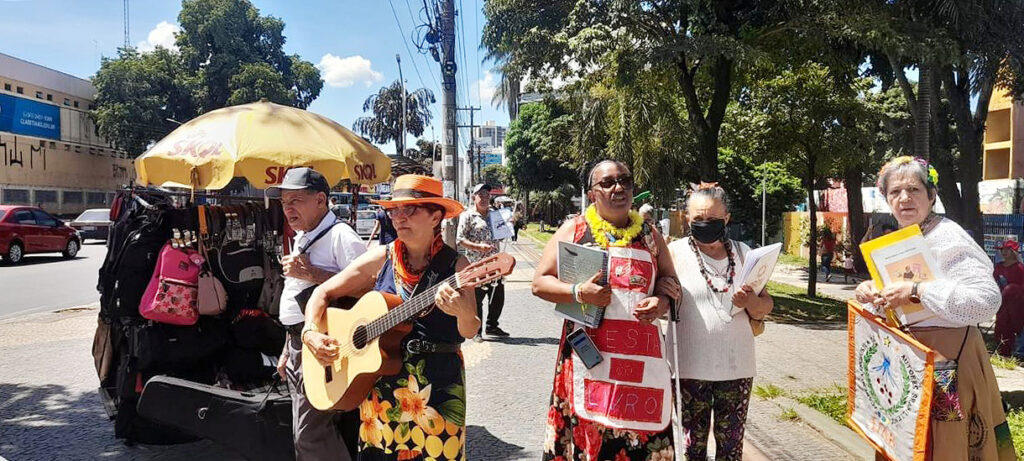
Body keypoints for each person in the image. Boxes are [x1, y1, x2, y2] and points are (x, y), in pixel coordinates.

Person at [302, 174, 478, 461]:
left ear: (436, 217)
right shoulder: (382, 257)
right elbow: (322, 293)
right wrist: (310, 332)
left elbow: (470, 329)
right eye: (394, 211)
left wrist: (463, 312)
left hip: (437, 387)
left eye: (411, 209)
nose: (399, 218)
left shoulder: (458, 266)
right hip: (381, 385)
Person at [854, 156, 1016, 460]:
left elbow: (986, 301)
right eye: (895, 192)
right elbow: (896, 301)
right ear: (887, 199)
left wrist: (918, 291)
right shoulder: (897, 241)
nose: (904, 198)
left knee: (946, 444)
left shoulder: (949, 238)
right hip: (908, 363)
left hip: (949, 362)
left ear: (931, 196)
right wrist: (871, 292)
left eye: (914, 189)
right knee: (909, 444)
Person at [532, 159, 677, 461]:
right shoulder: (574, 230)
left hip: (640, 363)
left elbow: (670, 282)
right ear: (591, 193)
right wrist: (578, 292)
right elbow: (540, 282)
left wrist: (661, 302)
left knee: (640, 434)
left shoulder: (650, 236)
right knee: (590, 435)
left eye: (625, 181)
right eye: (608, 183)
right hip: (589, 358)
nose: (618, 188)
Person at [664, 183, 774, 461]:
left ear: (726, 218)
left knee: (731, 449)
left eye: (712, 219)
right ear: (687, 218)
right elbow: (659, 298)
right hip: (688, 369)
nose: (705, 224)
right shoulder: (673, 253)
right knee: (692, 448)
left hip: (736, 368)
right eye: (698, 218)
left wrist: (750, 301)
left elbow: (765, 307)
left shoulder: (744, 253)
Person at [269, 167, 367, 461]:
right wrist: (288, 347)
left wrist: (311, 273)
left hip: (323, 348)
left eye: (295, 201)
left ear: (321, 200)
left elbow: (367, 290)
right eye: (284, 202)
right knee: (307, 431)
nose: (288, 209)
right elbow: (297, 298)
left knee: (310, 434)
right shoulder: (303, 235)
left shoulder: (341, 236)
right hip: (299, 343)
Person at [458, 183, 508, 340]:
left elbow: (502, 235)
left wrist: (508, 227)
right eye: (481, 195)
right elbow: (460, 239)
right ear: (474, 197)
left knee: (497, 296)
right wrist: (478, 247)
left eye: (487, 195)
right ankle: (477, 331)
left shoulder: (495, 215)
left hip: (495, 264)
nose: (485, 198)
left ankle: (492, 325)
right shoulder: (467, 215)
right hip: (476, 265)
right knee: (477, 299)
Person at [993, 240, 1024, 356]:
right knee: (1001, 325)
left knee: (1016, 327)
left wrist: (1011, 290)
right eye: (1002, 250)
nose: (1004, 252)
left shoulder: (1020, 268)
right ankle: (1002, 351)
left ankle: (1017, 353)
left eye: (1007, 250)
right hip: (1001, 303)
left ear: (1013, 252)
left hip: (1016, 305)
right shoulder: (998, 267)